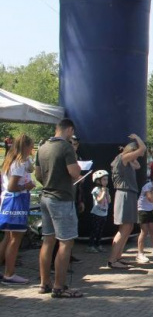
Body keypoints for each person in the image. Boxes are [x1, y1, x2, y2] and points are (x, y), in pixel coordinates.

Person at [35, 118, 83, 298]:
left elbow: (38, 174)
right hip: (61, 198)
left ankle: (43, 282)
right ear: (69, 130)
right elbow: (74, 172)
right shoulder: (66, 147)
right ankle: (59, 286)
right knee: (66, 242)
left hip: (45, 197)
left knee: (48, 241)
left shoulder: (42, 147)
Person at [108, 133, 147, 270]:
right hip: (124, 195)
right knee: (124, 228)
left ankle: (118, 256)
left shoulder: (127, 161)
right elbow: (142, 149)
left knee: (128, 227)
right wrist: (137, 138)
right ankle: (112, 260)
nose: (137, 156)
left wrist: (132, 154)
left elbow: (137, 166)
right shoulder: (122, 158)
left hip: (128, 195)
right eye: (134, 153)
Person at [0, 134, 35, 285]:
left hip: (8, 201)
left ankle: (5, 271)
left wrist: (29, 161)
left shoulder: (13, 160)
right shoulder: (19, 163)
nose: (32, 149)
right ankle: (9, 274)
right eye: (31, 146)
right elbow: (12, 186)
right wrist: (26, 186)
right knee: (15, 239)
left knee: (7, 237)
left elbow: (32, 168)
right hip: (16, 200)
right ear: (26, 147)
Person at [87, 170, 111, 253]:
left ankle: (98, 245)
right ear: (97, 180)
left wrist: (107, 193)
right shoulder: (96, 189)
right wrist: (103, 192)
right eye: (104, 179)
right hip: (96, 213)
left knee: (100, 231)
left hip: (104, 213)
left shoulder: (106, 189)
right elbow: (99, 200)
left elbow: (109, 201)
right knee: (95, 231)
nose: (106, 181)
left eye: (107, 179)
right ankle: (90, 246)